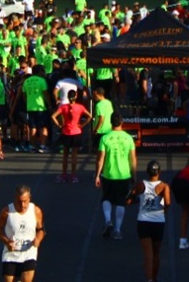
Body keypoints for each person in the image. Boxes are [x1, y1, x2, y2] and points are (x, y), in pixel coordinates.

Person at [95, 112, 136, 240]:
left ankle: (108, 220)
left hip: (109, 174)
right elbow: (133, 158)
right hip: (124, 174)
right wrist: (133, 174)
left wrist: (97, 175)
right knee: (121, 202)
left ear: (111, 123)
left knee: (106, 198)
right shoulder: (128, 138)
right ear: (122, 122)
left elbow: (100, 159)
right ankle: (118, 230)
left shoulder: (105, 138)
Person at [130, 159, 170, 282]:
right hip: (158, 222)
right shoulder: (164, 186)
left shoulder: (141, 184)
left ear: (147, 172)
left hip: (144, 221)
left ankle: (149, 279)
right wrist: (163, 210)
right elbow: (167, 202)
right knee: (156, 253)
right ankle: (154, 278)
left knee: (148, 254)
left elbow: (132, 195)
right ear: (160, 172)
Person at [0, 184, 43, 282]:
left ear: (29, 198)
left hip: (29, 253)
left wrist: (38, 239)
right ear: (15, 199)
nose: (22, 205)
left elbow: (41, 230)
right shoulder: (7, 212)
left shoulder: (36, 211)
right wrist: (7, 242)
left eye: (25, 201)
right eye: (19, 201)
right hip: (11, 254)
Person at [50, 89, 90, 183]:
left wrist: (60, 125)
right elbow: (89, 116)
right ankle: (73, 176)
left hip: (66, 132)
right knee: (74, 155)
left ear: (68, 97)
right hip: (76, 132)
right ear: (75, 96)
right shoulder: (80, 107)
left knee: (65, 155)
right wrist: (82, 125)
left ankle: (64, 175)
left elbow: (53, 116)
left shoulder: (63, 107)